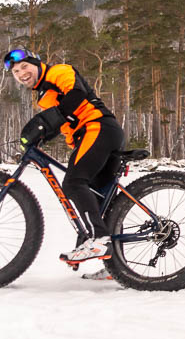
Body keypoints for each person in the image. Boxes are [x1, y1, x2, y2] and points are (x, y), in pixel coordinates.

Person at [4, 48, 125, 265]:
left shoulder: (58, 72)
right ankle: (115, 265)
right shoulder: (44, 98)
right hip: (91, 134)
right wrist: (39, 136)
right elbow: (59, 122)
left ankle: (98, 239)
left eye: (24, 66)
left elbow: (76, 94)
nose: (21, 73)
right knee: (100, 201)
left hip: (97, 128)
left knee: (73, 183)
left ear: (37, 63)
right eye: (15, 72)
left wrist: (49, 119)